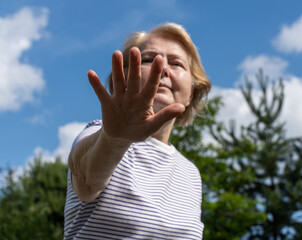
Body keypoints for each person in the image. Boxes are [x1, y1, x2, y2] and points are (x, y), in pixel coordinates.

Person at [64, 23, 211, 239]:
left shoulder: (190, 174)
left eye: (177, 63)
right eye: (150, 59)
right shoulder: (99, 134)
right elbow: (87, 180)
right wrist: (114, 140)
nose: (162, 69)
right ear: (122, 77)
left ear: (192, 92)